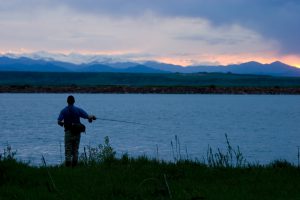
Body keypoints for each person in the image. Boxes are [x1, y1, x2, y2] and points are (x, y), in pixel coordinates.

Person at [57, 95, 96, 167]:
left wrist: (63, 123)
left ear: (67, 101)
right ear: (74, 101)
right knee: (75, 150)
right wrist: (93, 117)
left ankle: (68, 168)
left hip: (68, 132)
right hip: (77, 133)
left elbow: (59, 121)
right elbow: (88, 116)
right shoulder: (78, 110)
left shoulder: (63, 111)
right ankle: (74, 167)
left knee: (68, 150)